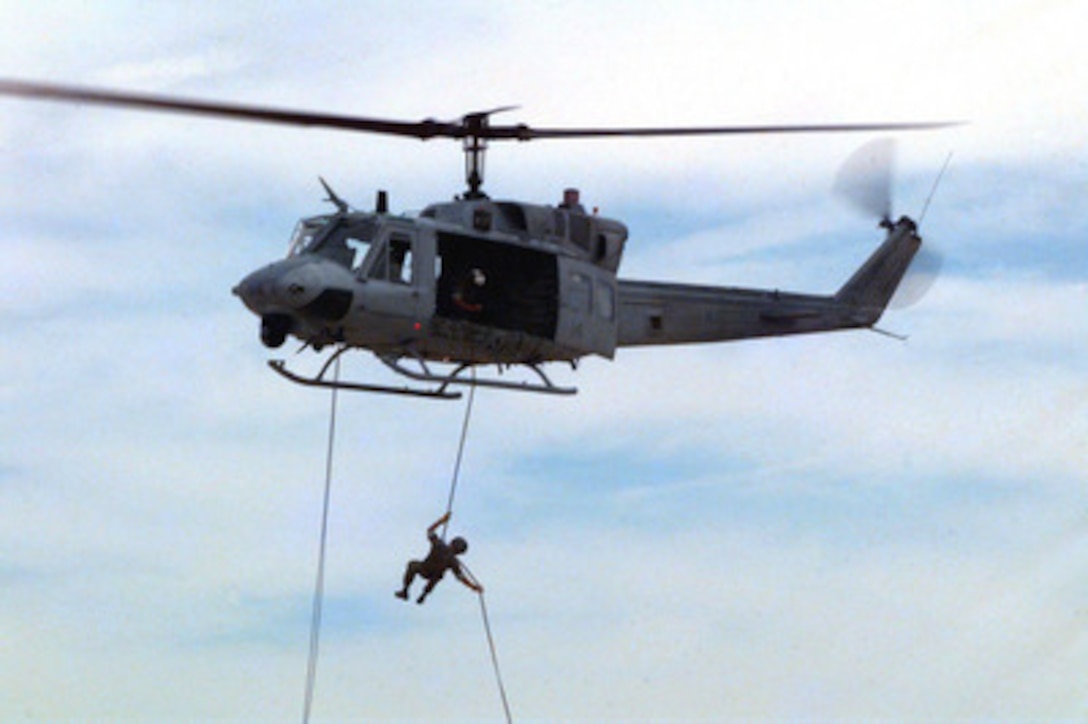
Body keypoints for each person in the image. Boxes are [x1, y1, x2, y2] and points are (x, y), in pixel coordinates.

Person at [396, 512, 482, 604]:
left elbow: (430, 531)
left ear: (451, 542)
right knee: (438, 576)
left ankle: (405, 590)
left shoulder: (439, 545)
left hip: (424, 569)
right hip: (433, 577)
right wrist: (473, 587)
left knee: (412, 565)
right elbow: (460, 577)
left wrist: (442, 520)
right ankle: (423, 595)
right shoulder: (453, 562)